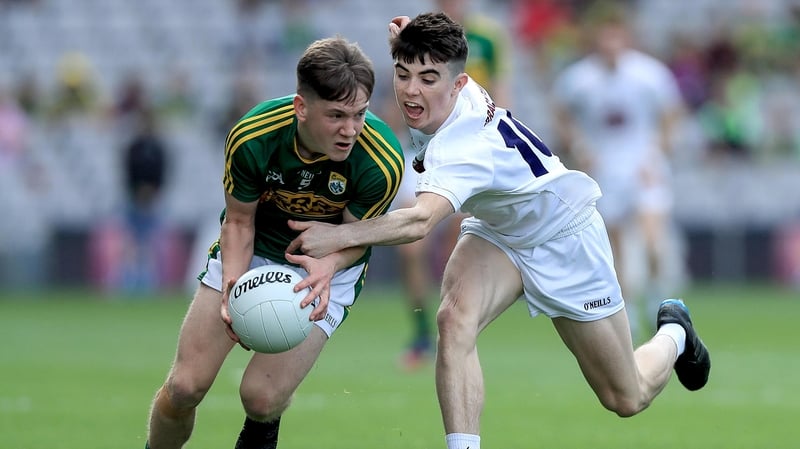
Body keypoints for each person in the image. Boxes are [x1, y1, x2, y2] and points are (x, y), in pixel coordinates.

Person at [287, 13, 710, 449]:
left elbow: (418, 221)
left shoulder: (463, 147)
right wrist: (407, 40)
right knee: (454, 320)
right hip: (501, 231)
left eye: (428, 79)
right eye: (403, 74)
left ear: (457, 84)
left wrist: (335, 236)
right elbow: (427, 61)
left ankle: (674, 332)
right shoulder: (455, 88)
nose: (411, 91)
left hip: (565, 237)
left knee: (626, 396)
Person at [144, 36, 404, 449]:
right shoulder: (254, 137)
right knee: (184, 387)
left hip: (327, 265)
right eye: (336, 115)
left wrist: (328, 266)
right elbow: (239, 221)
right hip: (252, 248)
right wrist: (232, 284)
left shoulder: (381, 159)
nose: (350, 130)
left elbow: (357, 236)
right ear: (301, 107)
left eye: (359, 114)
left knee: (262, 398)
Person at [550, 2, 686, 341]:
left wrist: (657, 153)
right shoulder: (579, 78)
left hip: (643, 168)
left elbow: (671, 115)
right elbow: (561, 115)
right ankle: (626, 312)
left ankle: (658, 303)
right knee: (614, 250)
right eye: (604, 38)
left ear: (625, 38)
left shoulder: (649, 74)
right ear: (596, 40)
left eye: (616, 38)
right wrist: (580, 148)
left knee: (654, 242)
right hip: (605, 173)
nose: (610, 45)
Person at [393, 0, 514, 370]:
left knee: (456, 245)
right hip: (423, 152)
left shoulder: (487, 37)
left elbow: (501, 93)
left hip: (467, 155)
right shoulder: (420, 37)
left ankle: (457, 332)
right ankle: (420, 333)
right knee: (410, 247)